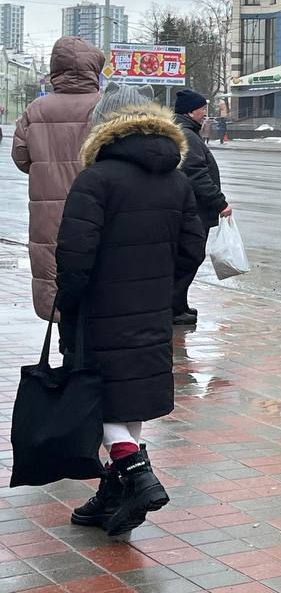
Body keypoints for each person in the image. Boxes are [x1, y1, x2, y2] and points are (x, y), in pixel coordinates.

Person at [56, 87, 206, 537]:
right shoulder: (176, 180)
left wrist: (70, 300)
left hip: (101, 309)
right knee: (131, 395)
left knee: (95, 393)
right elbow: (192, 248)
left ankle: (137, 474)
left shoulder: (96, 180)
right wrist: (162, 286)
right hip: (152, 309)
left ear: (103, 126)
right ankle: (114, 493)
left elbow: (74, 254)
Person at [11, 36, 104, 337]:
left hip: (49, 214)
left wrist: (47, 167)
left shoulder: (36, 110)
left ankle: (68, 356)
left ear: (55, 69)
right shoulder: (105, 107)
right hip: (98, 208)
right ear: (94, 68)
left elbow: (21, 158)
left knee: (58, 279)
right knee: (99, 275)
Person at [173, 89, 231, 325]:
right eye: (202, 109)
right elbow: (197, 175)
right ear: (190, 111)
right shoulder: (187, 135)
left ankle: (179, 305)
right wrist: (220, 202)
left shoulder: (185, 132)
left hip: (192, 209)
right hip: (194, 210)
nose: (205, 114)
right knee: (189, 257)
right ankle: (174, 308)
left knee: (187, 256)